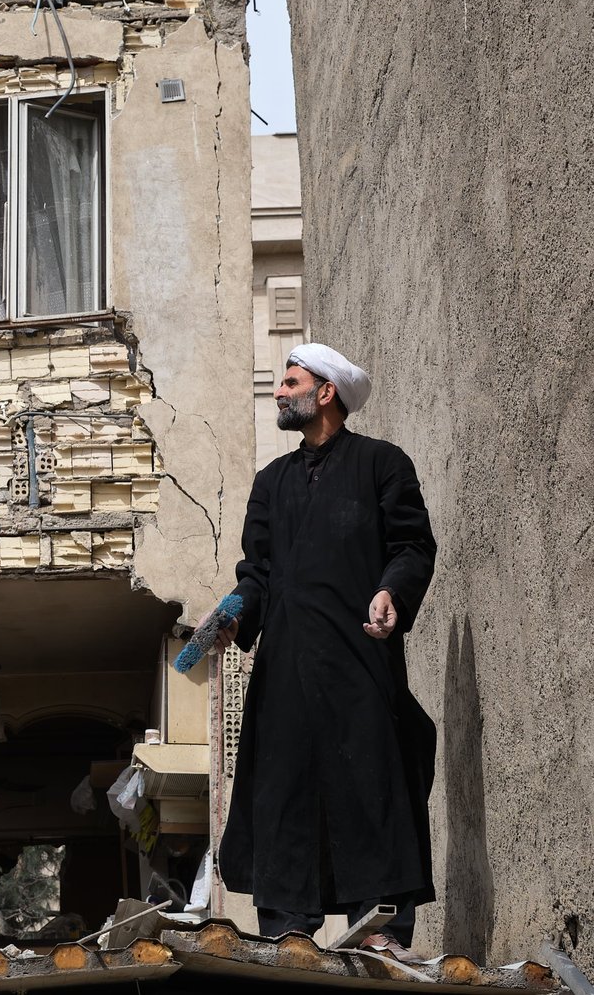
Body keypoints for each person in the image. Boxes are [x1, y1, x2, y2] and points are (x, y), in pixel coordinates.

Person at [209, 343, 438, 958]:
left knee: (372, 781)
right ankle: (288, 932)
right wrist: (234, 614)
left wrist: (391, 592)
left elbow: (412, 546)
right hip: (284, 671)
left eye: (291, 382)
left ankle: (380, 928)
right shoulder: (270, 483)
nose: (279, 392)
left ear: (326, 392)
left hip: (359, 663)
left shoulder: (382, 464)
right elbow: (256, 573)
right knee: (283, 791)